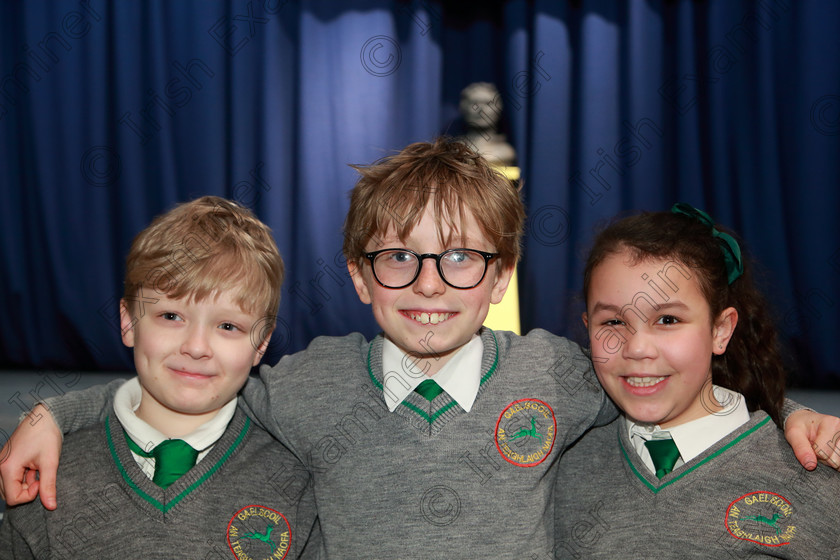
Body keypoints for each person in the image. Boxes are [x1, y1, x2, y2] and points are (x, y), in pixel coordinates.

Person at [0, 143, 837, 559]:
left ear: (500, 275)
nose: (429, 284)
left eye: (461, 257)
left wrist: (788, 416)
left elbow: (665, 379)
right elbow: (190, 384)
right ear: (361, 278)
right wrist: (54, 410)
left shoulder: (559, 371)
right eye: (398, 257)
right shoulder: (307, 383)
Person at [0, 197, 319, 559]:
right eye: (171, 316)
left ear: (261, 344)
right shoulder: (49, 469)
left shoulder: (295, 476)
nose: (196, 347)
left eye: (228, 325)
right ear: (128, 321)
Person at [555, 205, 840, 559]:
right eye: (612, 322)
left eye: (668, 319)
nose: (638, 348)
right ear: (588, 328)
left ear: (720, 330)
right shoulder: (559, 463)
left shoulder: (813, 475)